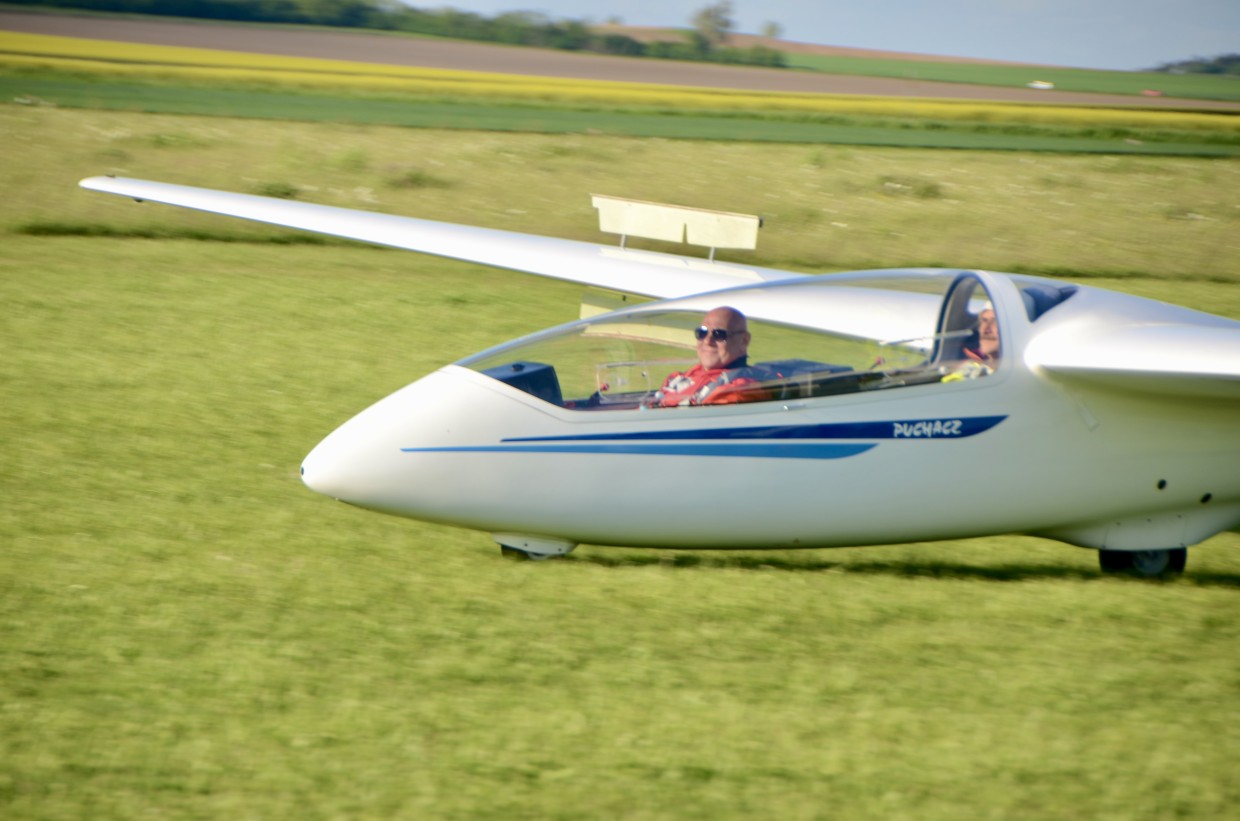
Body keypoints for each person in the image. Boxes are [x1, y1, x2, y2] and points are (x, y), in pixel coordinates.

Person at [648, 306, 770, 407]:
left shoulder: (738, 389)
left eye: (719, 334)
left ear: (744, 341)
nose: (707, 341)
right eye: (702, 333)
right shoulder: (679, 377)